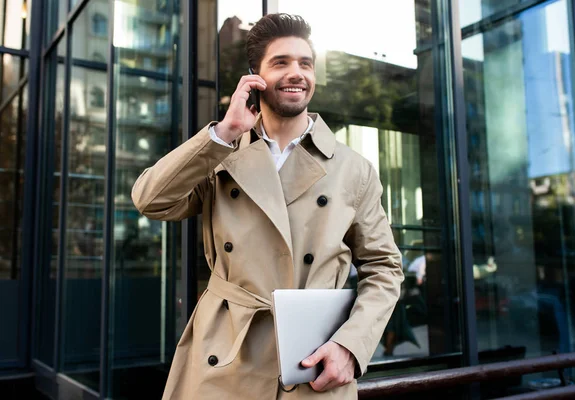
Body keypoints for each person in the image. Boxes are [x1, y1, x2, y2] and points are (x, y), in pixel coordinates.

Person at [131, 13, 403, 399]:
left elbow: (384, 268)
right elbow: (150, 200)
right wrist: (223, 133)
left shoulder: (353, 169)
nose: (297, 73)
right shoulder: (220, 155)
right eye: (281, 63)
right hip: (225, 358)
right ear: (254, 77)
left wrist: (351, 346)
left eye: (305, 63)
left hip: (312, 361)